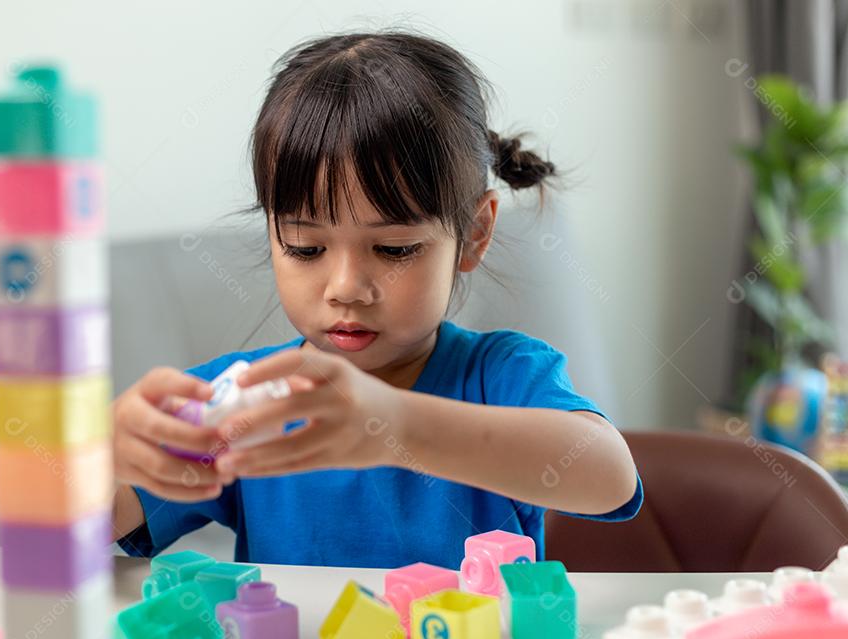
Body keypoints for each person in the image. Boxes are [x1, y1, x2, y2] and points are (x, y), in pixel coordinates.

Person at [112, 31, 641, 568]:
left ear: (475, 233)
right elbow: (89, 520)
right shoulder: (247, 402)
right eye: (306, 246)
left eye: (394, 248)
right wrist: (105, 451)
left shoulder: (501, 375)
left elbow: (610, 478)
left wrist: (396, 426)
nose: (344, 287)